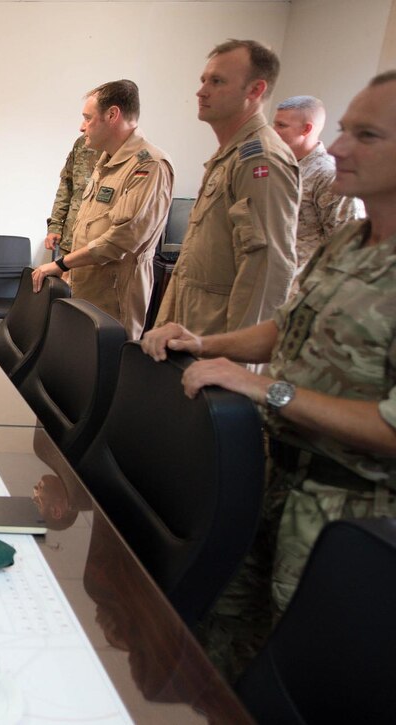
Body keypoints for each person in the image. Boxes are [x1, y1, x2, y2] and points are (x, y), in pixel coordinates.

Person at [141, 74, 396, 679]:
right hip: (272, 476)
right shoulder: (353, 243)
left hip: (350, 518)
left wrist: (269, 389)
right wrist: (206, 342)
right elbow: (288, 327)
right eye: (342, 131)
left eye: (367, 135)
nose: (337, 149)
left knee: (304, 672)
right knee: (220, 643)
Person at [154, 39, 299, 336]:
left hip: (217, 342)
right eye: (204, 80)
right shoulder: (231, 154)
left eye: (217, 81)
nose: (201, 90)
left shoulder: (262, 159)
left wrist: (236, 354)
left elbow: (268, 268)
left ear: (255, 90)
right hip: (192, 330)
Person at [31, 80, 174, 339]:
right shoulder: (106, 160)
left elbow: (121, 241)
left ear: (112, 115)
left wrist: (62, 263)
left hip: (114, 298)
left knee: (104, 370)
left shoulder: (149, 166)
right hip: (85, 287)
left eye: (88, 118)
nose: (81, 126)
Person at [272, 95, 364, 290]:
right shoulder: (281, 167)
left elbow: (348, 242)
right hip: (274, 280)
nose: (274, 131)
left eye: (282, 126)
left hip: (302, 289)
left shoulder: (330, 174)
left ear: (306, 129)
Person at [44, 134, 99, 256]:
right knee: (64, 275)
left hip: (101, 247)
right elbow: (66, 186)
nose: (82, 126)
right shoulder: (82, 143)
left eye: (88, 119)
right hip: (71, 239)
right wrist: (55, 226)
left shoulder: (127, 150)